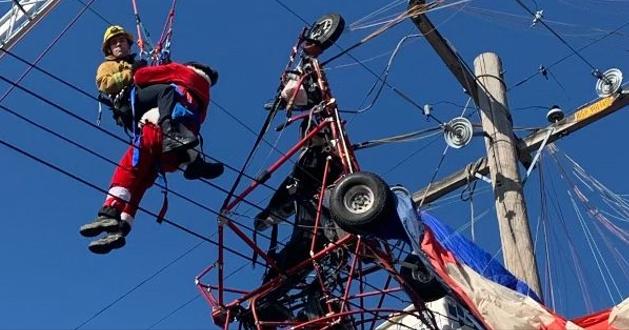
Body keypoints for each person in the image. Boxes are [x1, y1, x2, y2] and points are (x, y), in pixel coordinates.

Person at [80, 25, 224, 254]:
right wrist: (133, 73)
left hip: (145, 107)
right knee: (165, 92)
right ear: (109, 48)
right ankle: (175, 139)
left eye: (122, 42)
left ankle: (120, 225)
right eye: (115, 43)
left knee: (144, 175)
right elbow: (107, 84)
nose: (119, 45)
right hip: (130, 102)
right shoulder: (107, 66)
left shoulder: (137, 63)